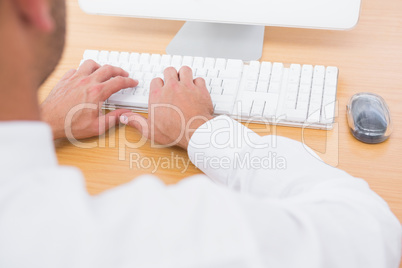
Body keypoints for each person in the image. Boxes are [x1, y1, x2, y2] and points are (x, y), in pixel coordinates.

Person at [0, 0, 401, 267]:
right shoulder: (170, 240)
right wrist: (201, 131)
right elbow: (371, 233)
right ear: (33, 9)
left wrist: (41, 122)